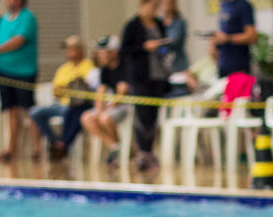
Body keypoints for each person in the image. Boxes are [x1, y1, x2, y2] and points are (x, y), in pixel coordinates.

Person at [120, 0, 172, 172]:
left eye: (156, 7)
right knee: (142, 114)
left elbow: (167, 46)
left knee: (154, 116)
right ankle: (143, 153)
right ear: (142, 6)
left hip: (158, 76)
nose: (154, 10)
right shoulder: (133, 25)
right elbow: (125, 50)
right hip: (140, 77)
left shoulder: (158, 23)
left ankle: (150, 152)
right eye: (151, 7)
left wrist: (163, 47)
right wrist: (144, 47)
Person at [0, 0, 38, 162]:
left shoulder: (27, 17)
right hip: (4, 71)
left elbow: (18, 40)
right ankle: (11, 149)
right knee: (10, 110)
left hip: (23, 71)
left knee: (29, 109)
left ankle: (37, 148)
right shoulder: (4, 19)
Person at [28, 35, 95, 160]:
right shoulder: (64, 68)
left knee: (71, 112)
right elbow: (56, 91)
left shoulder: (88, 66)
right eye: (67, 48)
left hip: (77, 105)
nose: (68, 51)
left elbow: (85, 89)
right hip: (60, 104)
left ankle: (63, 145)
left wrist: (67, 89)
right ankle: (55, 141)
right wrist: (70, 88)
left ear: (80, 49)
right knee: (35, 112)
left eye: (72, 48)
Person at [80, 35, 131, 166]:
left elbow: (122, 92)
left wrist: (107, 109)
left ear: (113, 53)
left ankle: (122, 151)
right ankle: (115, 147)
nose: (99, 56)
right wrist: (98, 109)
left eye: (102, 53)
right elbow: (100, 92)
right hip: (113, 105)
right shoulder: (104, 70)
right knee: (87, 118)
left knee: (105, 118)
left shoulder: (125, 66)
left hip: (126, 105)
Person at [213, 0, 258, 78]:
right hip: (223, 64)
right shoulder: (223, 5)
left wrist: (228, 39)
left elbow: (252, 37)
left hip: (238, 65)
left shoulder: (243, 5)